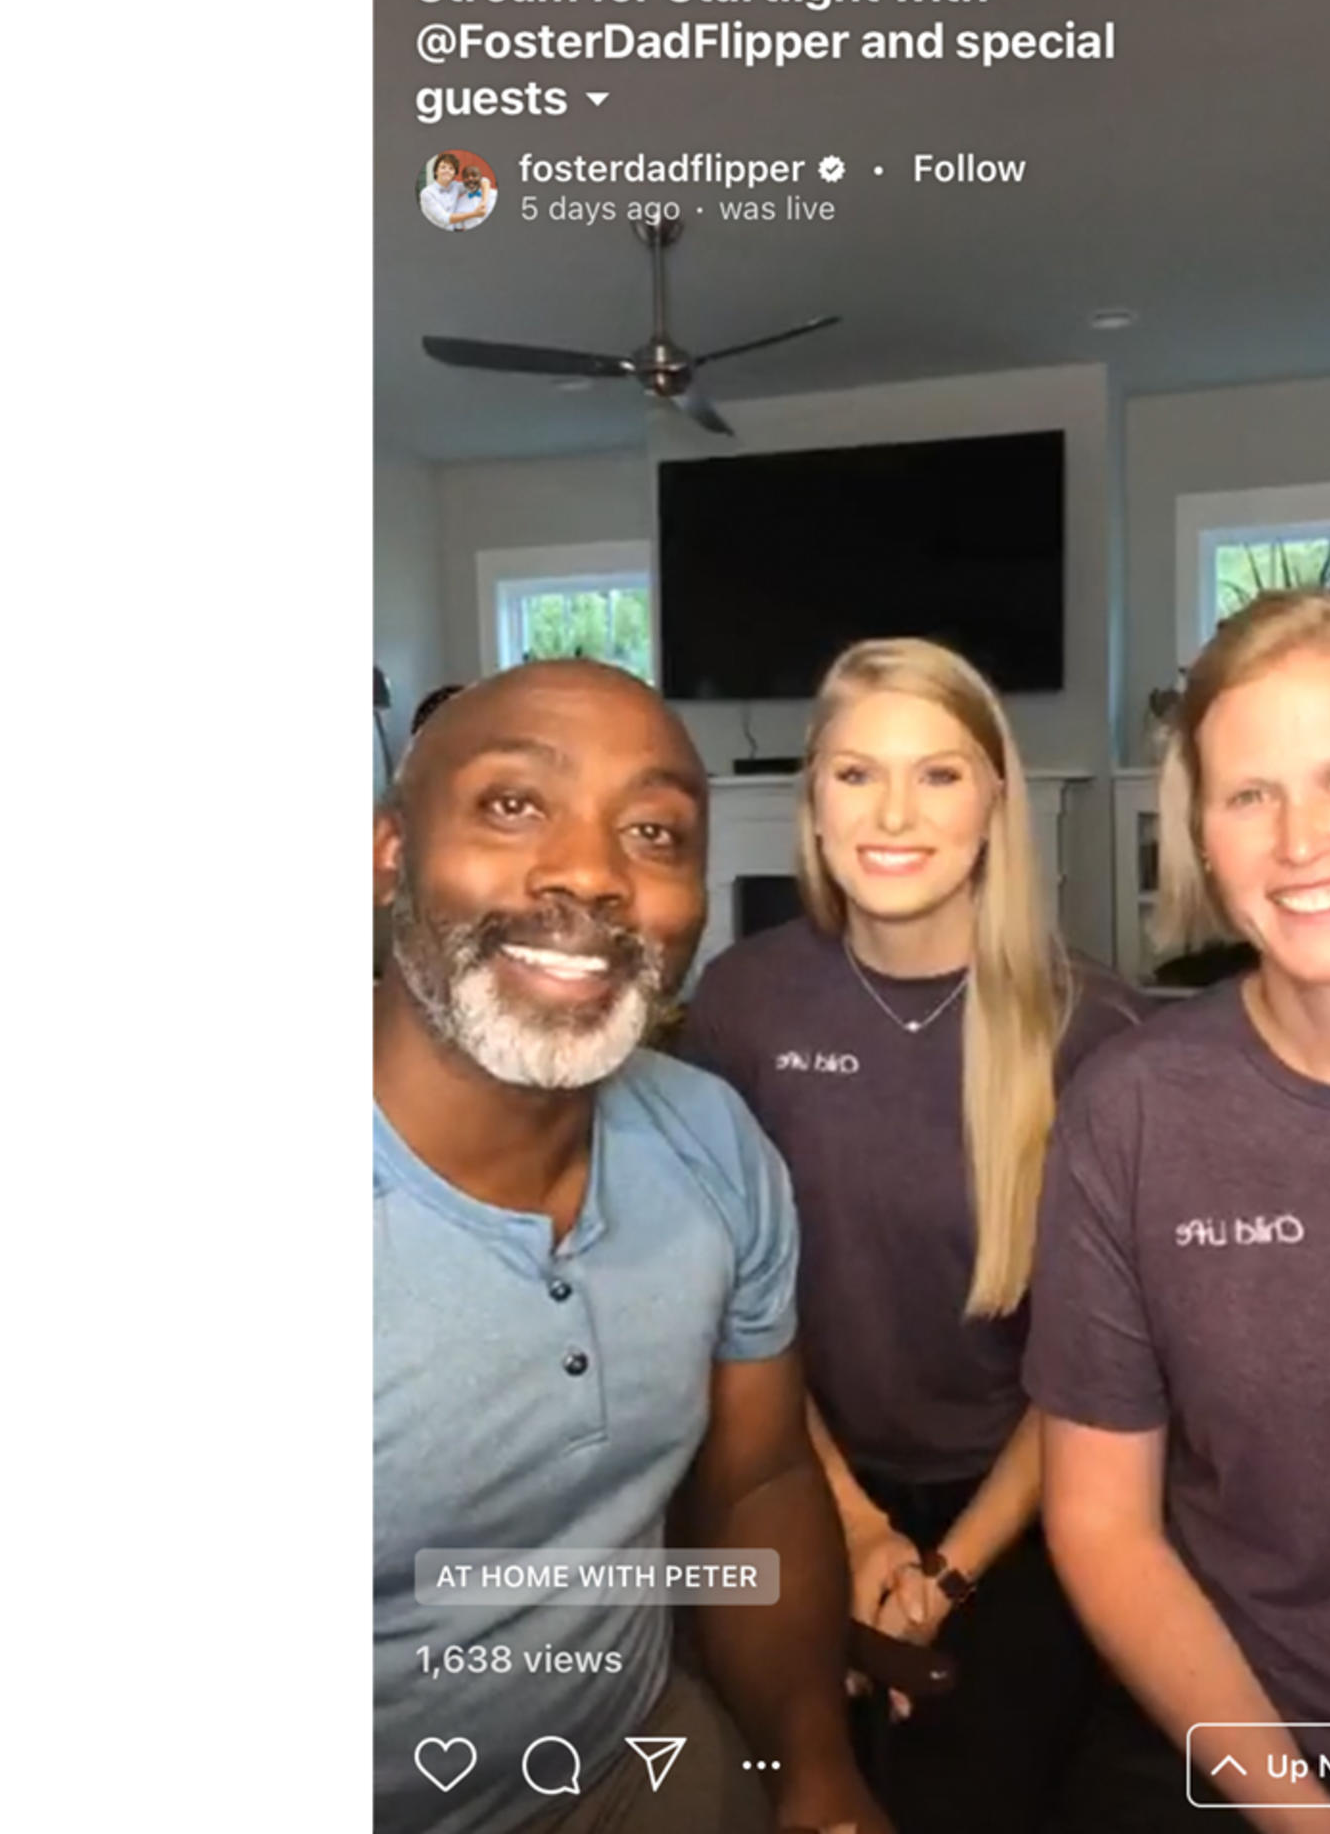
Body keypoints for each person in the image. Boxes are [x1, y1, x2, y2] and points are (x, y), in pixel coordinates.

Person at [373, 660, 888, 1834]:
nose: (592, 872)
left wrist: (814, 1772)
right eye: (514, 805)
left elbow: (759, 1483)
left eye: (654, 832)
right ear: (389, 853)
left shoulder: (711, 1141)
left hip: (640, 1762)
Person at [678, 638, 1147, 1834]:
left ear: (995, 803)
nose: (894, 814)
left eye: (938, 775)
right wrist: (849, 1526)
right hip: (788, 1470)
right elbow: (731, 1302)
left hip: (1028, 1500)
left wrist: (945, 1571)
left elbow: (1096, 1368)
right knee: (760, 1785)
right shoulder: (740, 1006)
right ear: (814, 802)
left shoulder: (1098, 1034)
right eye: (856, 774)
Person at [1024, 591, 1330, 1833]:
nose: (1300, 840)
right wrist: (1302, 1818)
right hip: (1239, 1745)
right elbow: (1103, 1522)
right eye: (1250, 795)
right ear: (1203, 840)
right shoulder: (1131, 1111)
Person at [419, 153, 463, 231]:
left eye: (451, 168)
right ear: (436, 171)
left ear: (454, 174)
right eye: (443, 167)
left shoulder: (456, 186)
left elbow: (482, 181)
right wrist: (474, 214)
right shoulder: (427, 193)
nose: (447, 171)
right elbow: (444, 219)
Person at [456, 163, 497, 230]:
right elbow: (459, 227)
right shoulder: (459, 203)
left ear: (480, 178)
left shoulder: (494, 195)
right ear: (463, 180)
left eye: (474, 175)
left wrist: (484, 202)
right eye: (466, 177)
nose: (470, 178)